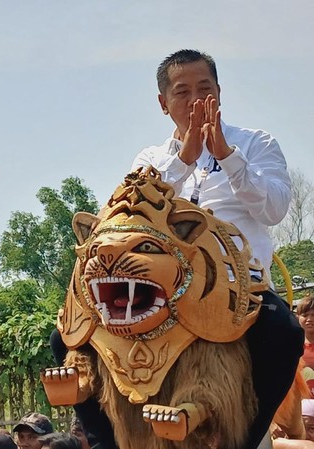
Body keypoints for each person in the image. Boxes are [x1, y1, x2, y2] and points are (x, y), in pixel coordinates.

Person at [130, 48, 303, 449]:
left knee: (284, 331)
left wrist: (225, 155)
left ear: (219, 94)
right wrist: (183, 160)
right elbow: (135, 216)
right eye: (182, 91)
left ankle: (250, 435)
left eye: (203, 88)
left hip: (244, 290)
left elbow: (275, 210)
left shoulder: (256, 143)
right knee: (64, 339)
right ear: (163, 103)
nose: (194, 100)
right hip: (166, 295)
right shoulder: (150, 159)